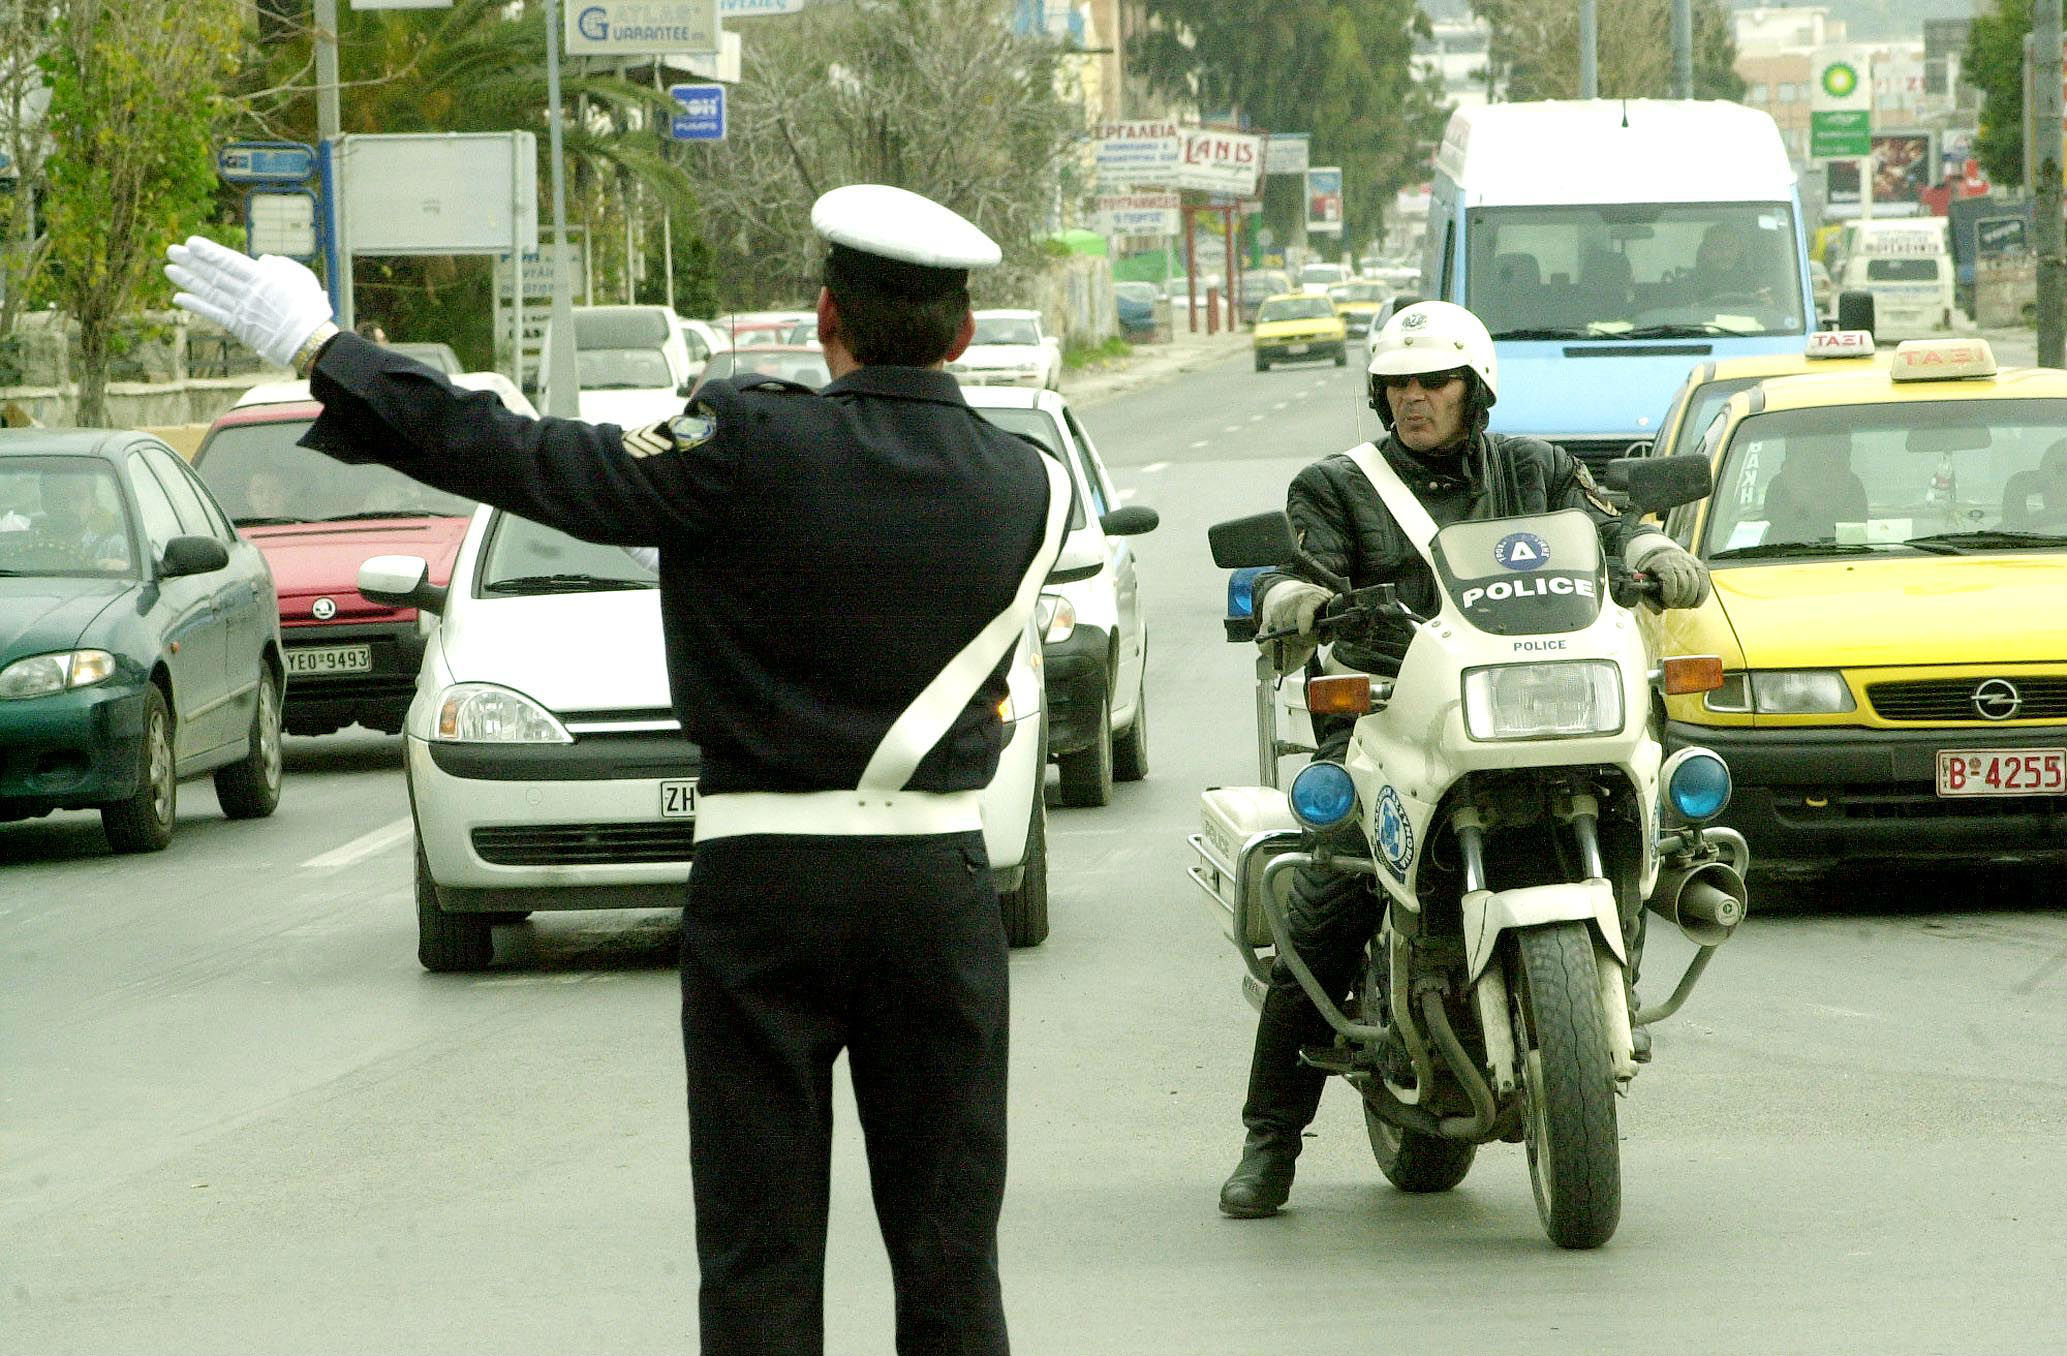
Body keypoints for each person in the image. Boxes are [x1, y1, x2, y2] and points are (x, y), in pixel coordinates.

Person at [166, 186, 1071, 1356]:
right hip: (937, 888)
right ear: (961, 336)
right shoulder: (1030, 485)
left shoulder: (743, 442)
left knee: (759, 1259)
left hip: (764, 882)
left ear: (823, 316)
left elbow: (521, 457)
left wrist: (321, 346)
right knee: (952, 1262)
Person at [1217, 300, 1711, 1220]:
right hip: (1390, 716)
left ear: (1473, 389)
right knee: (1329, 899)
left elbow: (1602, 522)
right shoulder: (1337, 486)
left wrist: (1649, 548)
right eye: (1398, 385)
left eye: (1433, 382)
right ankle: (1269, 1143)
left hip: (1539, 707)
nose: (1414, 400)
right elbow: (1295, 572)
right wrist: (1300, 605)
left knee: (1670, 809)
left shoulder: (1533, 465)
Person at [1761, 431, 1870, 542]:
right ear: (1787, 473)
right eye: (1811, 469)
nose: (1825, 481)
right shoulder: (1755, 556)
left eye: (1836, 468)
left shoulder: (1882, 549)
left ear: (1847, 474)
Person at [38, 469, 131, 569]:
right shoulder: (28, 548)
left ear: (93, 503)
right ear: (45, 503)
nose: (70, 506)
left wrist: (121, 568)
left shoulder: (113, 548)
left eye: (79, 497)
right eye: (60, 498)